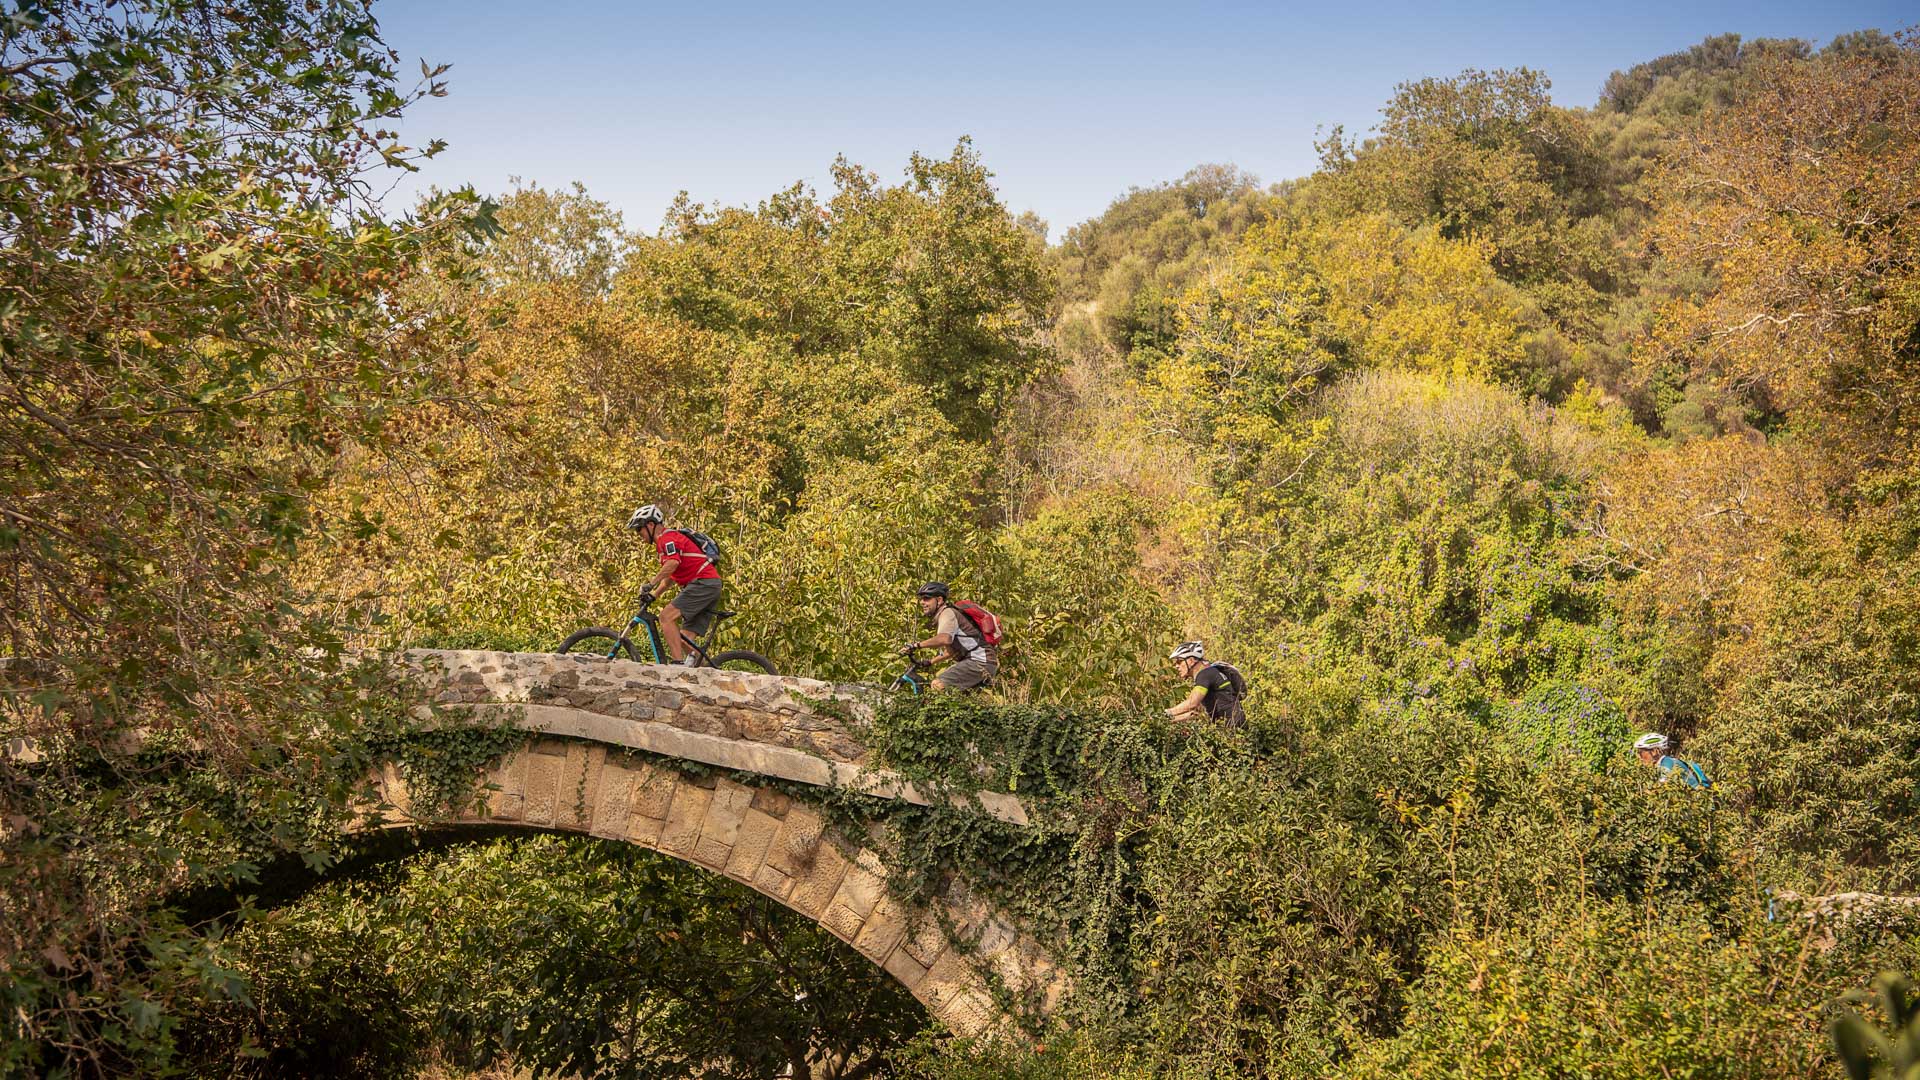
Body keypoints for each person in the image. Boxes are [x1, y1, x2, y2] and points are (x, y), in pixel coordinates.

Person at [626, 504, 721, 665]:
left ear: (650, 525)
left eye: (639, 529)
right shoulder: (664, 543)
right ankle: (706, 671)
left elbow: (672, 564)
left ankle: (676, 666)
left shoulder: (667, 538)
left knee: (665, 617)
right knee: (682, 639)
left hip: (703, 584)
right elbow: (670, 577)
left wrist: (650, 584)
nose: (639, 534)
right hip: (707, 585)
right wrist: (653, 595)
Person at [906, 582, 996, 692]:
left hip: (979, 662)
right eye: (921, 599)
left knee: (937, 684)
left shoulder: (947, 613)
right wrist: (930, 662)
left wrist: (916, 645)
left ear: (939, 600)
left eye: (926, 598)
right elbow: (951, 651)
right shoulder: (945, 615)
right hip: (984, 663)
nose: (922, 602)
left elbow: (944, 639)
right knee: (959, 701)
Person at [1165, 641, 1246, 728]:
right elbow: (1195, 713)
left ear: (1191, 660)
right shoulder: (1209, 672)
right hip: (1234, 725)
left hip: (1231, 727)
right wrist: (1167, 720)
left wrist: (1167, 713)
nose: (1176, 666)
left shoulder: (1204, 674)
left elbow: (1192, 703)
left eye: (1179, 661)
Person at [1632, 732, 1711, 788]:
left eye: (1641, 752)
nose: (1639, 756)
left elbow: (1662, 788)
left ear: (1654, 751)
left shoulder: (1667, 763)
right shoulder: (1663, 763)